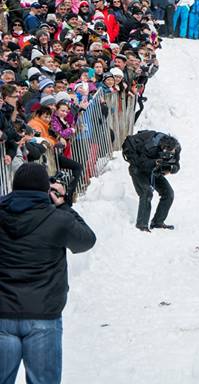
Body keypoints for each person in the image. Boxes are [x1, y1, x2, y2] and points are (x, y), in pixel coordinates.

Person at [0, 163, 97, 384]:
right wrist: (64, 206)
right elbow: (86, 240)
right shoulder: (58, 219)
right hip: (43, 316)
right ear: (45, 190)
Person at [121, 130, 181, 231]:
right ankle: (142, 225)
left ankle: (157, 222)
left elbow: (177, 165)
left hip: (154, 169)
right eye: (167, 153)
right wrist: (155, 162)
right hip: (138, 168)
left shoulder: (176, 149)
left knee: (168, 193)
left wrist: (170, 169)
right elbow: (141, 164)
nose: (169, 155)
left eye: (172, 153)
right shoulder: (150, 147)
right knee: (146, 191)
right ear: (162, 148)